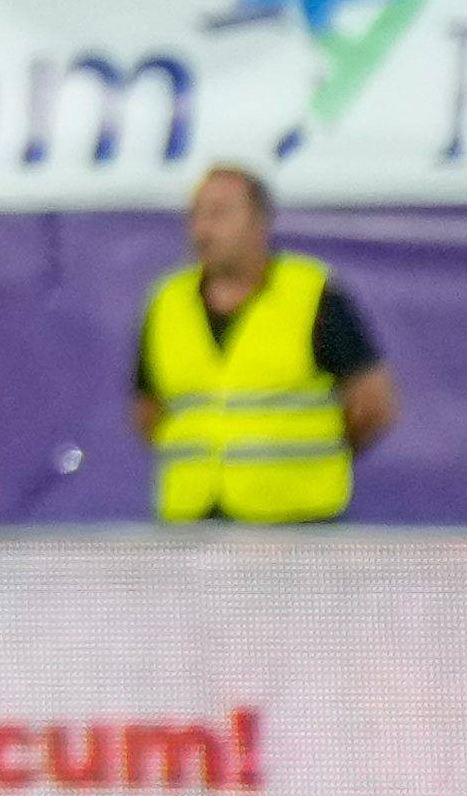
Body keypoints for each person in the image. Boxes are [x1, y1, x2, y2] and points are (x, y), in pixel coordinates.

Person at [132, 160, 395, 524]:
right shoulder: (166, 300)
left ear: (260, 222)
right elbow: (148, 410)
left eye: (220, 213)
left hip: (297, 524)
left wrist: (304, 458)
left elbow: (372, 404)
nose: (203, 228)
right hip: (192, 524)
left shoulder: (311, 293)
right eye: (196, 214)